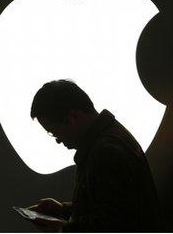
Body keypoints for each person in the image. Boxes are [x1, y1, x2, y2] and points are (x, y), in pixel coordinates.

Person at [27, 79, 162, 232]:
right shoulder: (109, 140)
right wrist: (63, 210)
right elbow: (113, 208)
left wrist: (62, 228)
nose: (58, 140)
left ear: (73, 117)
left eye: (55, 132)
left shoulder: (107, 152)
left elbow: (112, 224)